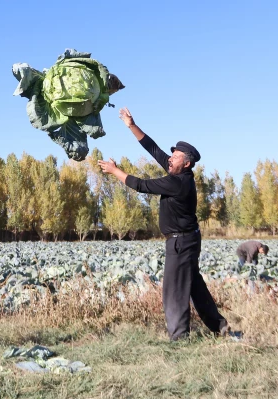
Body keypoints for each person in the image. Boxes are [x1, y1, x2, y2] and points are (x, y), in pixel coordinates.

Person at [97, 107, 227, 341]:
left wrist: (114, 170)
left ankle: (179, 338)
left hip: (180, 242)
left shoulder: (177, 183)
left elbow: (141, 185)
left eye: (175, 157)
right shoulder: (178, 173)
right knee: (194, 286)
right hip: (187, 239)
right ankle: (221, 328)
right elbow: (154, 149)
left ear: (186, 164)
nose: (170, 158)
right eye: (172, 155)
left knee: (174, 290)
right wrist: (131, 125)